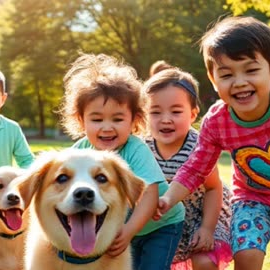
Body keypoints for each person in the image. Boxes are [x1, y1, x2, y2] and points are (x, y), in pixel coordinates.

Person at [157, 16, 270, 270]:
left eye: (251, 70)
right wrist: (168, 198)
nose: (240, 82)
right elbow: (195, 168)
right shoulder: (217, 121)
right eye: (226, 74)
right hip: (252, 200)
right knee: (247, 253)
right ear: (213, 78)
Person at [59, 53, 185, 270]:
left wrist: (128, 232)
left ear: (134, 120)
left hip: (162, 226)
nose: (107, 127)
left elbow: (150, 194)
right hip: (125, 225)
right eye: (97, 119)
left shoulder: (135, 149)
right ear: (81, 120)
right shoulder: (80, 151)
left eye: (117, 119)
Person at [143, 67, 232, 270]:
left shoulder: (199, 147)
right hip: (164, 219)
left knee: (204, 261)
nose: (166, 119)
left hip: (203, 214)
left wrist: (207, 228)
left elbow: (213, 188)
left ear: (192, 115)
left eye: (176, 112)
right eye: (155, 112)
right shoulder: (142, 147)